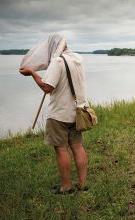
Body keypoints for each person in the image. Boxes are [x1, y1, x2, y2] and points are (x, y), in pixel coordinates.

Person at [19, 33, 88, 193]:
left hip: (59, 115)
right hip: (78, 112)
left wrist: (33, 74)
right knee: (77, 147)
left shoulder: (57, 62)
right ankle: (82, 185)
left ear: (53, 47)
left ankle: (66, 187)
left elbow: (47, 88)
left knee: (61, 149)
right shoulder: (78, 58)